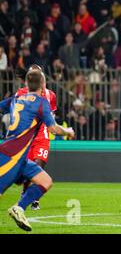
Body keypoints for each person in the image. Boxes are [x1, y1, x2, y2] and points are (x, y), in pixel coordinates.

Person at [0, 70, 75, 232]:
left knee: (45, 181)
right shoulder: (41, 103)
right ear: (42, 85)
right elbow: (54, 129)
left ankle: (19, 208)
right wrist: (68, 131)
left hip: (19, 158)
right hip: (10, 157)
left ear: (26, 84)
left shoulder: (16, 98)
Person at [15, 64, 57, 210]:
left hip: (43, 134)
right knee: (29, 168)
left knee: (39, 165)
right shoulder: (21, 93)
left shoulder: (50, 95)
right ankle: (26, 193)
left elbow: (51, 114)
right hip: (27, 136)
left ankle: (34, 198)